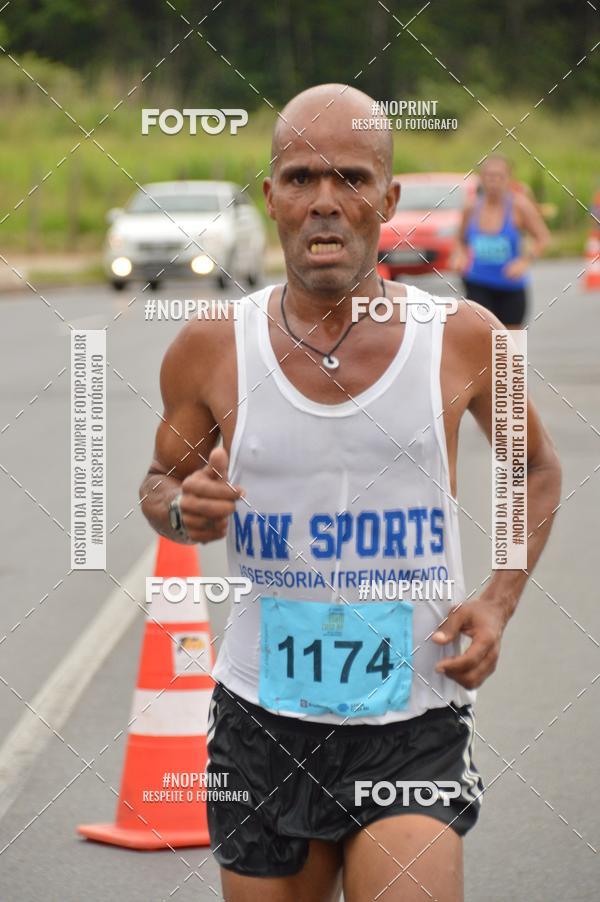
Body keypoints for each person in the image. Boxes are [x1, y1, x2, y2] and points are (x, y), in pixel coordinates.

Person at [139, 85, 561, 902]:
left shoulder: (462, 338)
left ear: (388, 199)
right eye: (300, 178)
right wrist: (183, 508)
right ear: (271, 200)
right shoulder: (210, 347)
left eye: (352, 179)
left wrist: (500, 598)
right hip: (262, 720)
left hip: (411, 727)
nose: (325, 202)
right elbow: (161, 487)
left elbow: (534, 466)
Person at [453, 155, 550, 328]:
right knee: (481, 338)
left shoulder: (519, 206)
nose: (494, 182)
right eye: (490, 176)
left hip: (510, 286)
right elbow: (460, 240)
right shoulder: (471, 207)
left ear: (508, 179)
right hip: (477, 283)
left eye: (499, 176)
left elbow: (542, 238)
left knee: (509, 344)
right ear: (482, 178)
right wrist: (460, 256)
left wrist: (524, 262)